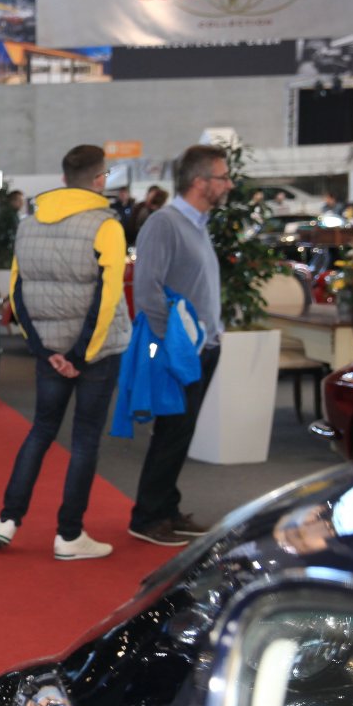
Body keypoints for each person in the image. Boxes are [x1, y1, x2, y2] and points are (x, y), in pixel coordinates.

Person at [0, 146, 131, 560]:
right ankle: (69, 534)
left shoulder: (28, 225)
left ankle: (7, 520)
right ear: (99, 179)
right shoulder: (106, 225)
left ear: (65, 178)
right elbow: (108, 296)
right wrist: (80, 355)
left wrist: (42, 348)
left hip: (48, 350)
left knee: (41, 430)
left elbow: (17, 292)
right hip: (95, 354)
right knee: (84, 440)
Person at [127, 145, 231, 546]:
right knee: (171, 432)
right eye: (223, 177)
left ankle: (166, 509)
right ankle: (147, 516)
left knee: (180, 433)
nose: (229, 184)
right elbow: (147, 290)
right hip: (181, 352)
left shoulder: (197, 224)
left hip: (203, 348)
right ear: (200, 182)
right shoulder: (164, 224)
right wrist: (173, 345)